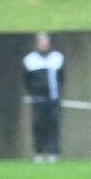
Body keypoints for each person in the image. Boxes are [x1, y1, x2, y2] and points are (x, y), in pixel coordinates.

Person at [23, 31, 64, 162]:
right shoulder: (30, 60)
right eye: (41, 42)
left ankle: (53, 152)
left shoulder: (57, 58)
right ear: (37, 44)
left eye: (45, 42)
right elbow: (26, 80)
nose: (43, 45)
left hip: (53, 99)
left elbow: (62, 78)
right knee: (38, 125)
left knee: (54, 125)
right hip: (38, 100)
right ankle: (39, 152)